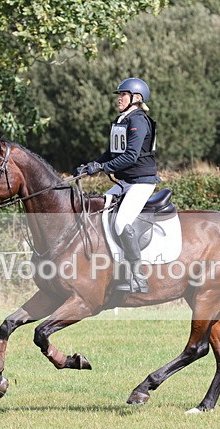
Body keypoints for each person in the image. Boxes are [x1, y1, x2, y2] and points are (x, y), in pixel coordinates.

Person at [77, 77, 159, 294]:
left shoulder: (139, 121)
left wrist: (101, 168)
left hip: (141, 183)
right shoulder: (122, 120)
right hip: (125, 182)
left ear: (136, 98)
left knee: (121, 222)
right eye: (120, 95)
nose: (119, 99)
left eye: (123, 95)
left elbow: (131, 157)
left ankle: (138, 277)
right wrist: (91, 165)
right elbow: (112, 153)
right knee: (98, 213)